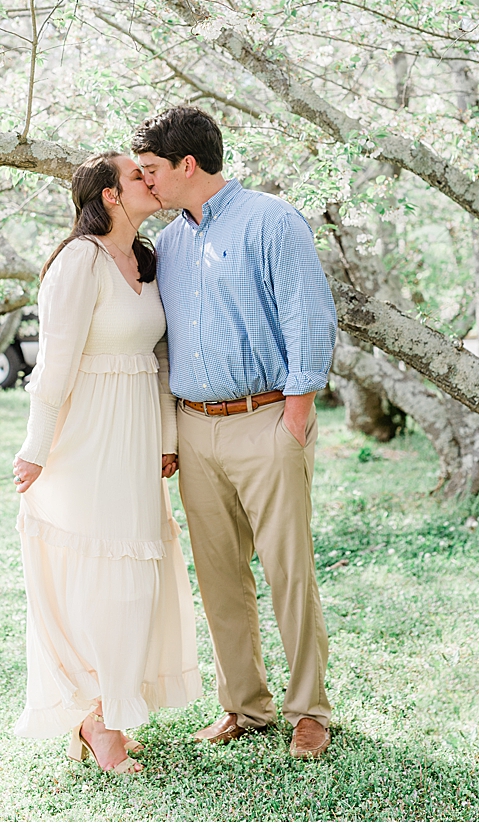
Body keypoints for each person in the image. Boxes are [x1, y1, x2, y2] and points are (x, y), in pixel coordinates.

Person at [133, 106, 338, 760]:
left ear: (187, 164)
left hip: (268, 420)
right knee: (219, 578)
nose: (147, 183)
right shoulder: (168, 245)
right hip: (196, 431)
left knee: (288, 573)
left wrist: (296, 415)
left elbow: (309, 316)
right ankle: (244, 708)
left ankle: (309, 711)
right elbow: (162, 342)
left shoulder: (273, 221)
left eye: (153, 170)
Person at [11, 152, 202, 773]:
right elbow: (55, 365)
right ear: (110, 196)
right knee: (103, 580)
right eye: (137, 176)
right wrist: (36, 449)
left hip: (138, 436)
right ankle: (99, 722)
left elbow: (163, 358)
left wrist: (167, 438)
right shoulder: (77, 263)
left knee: (137, 576)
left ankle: (107, 709)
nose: (151, 180)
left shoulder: (147, 261)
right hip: (86, 440)